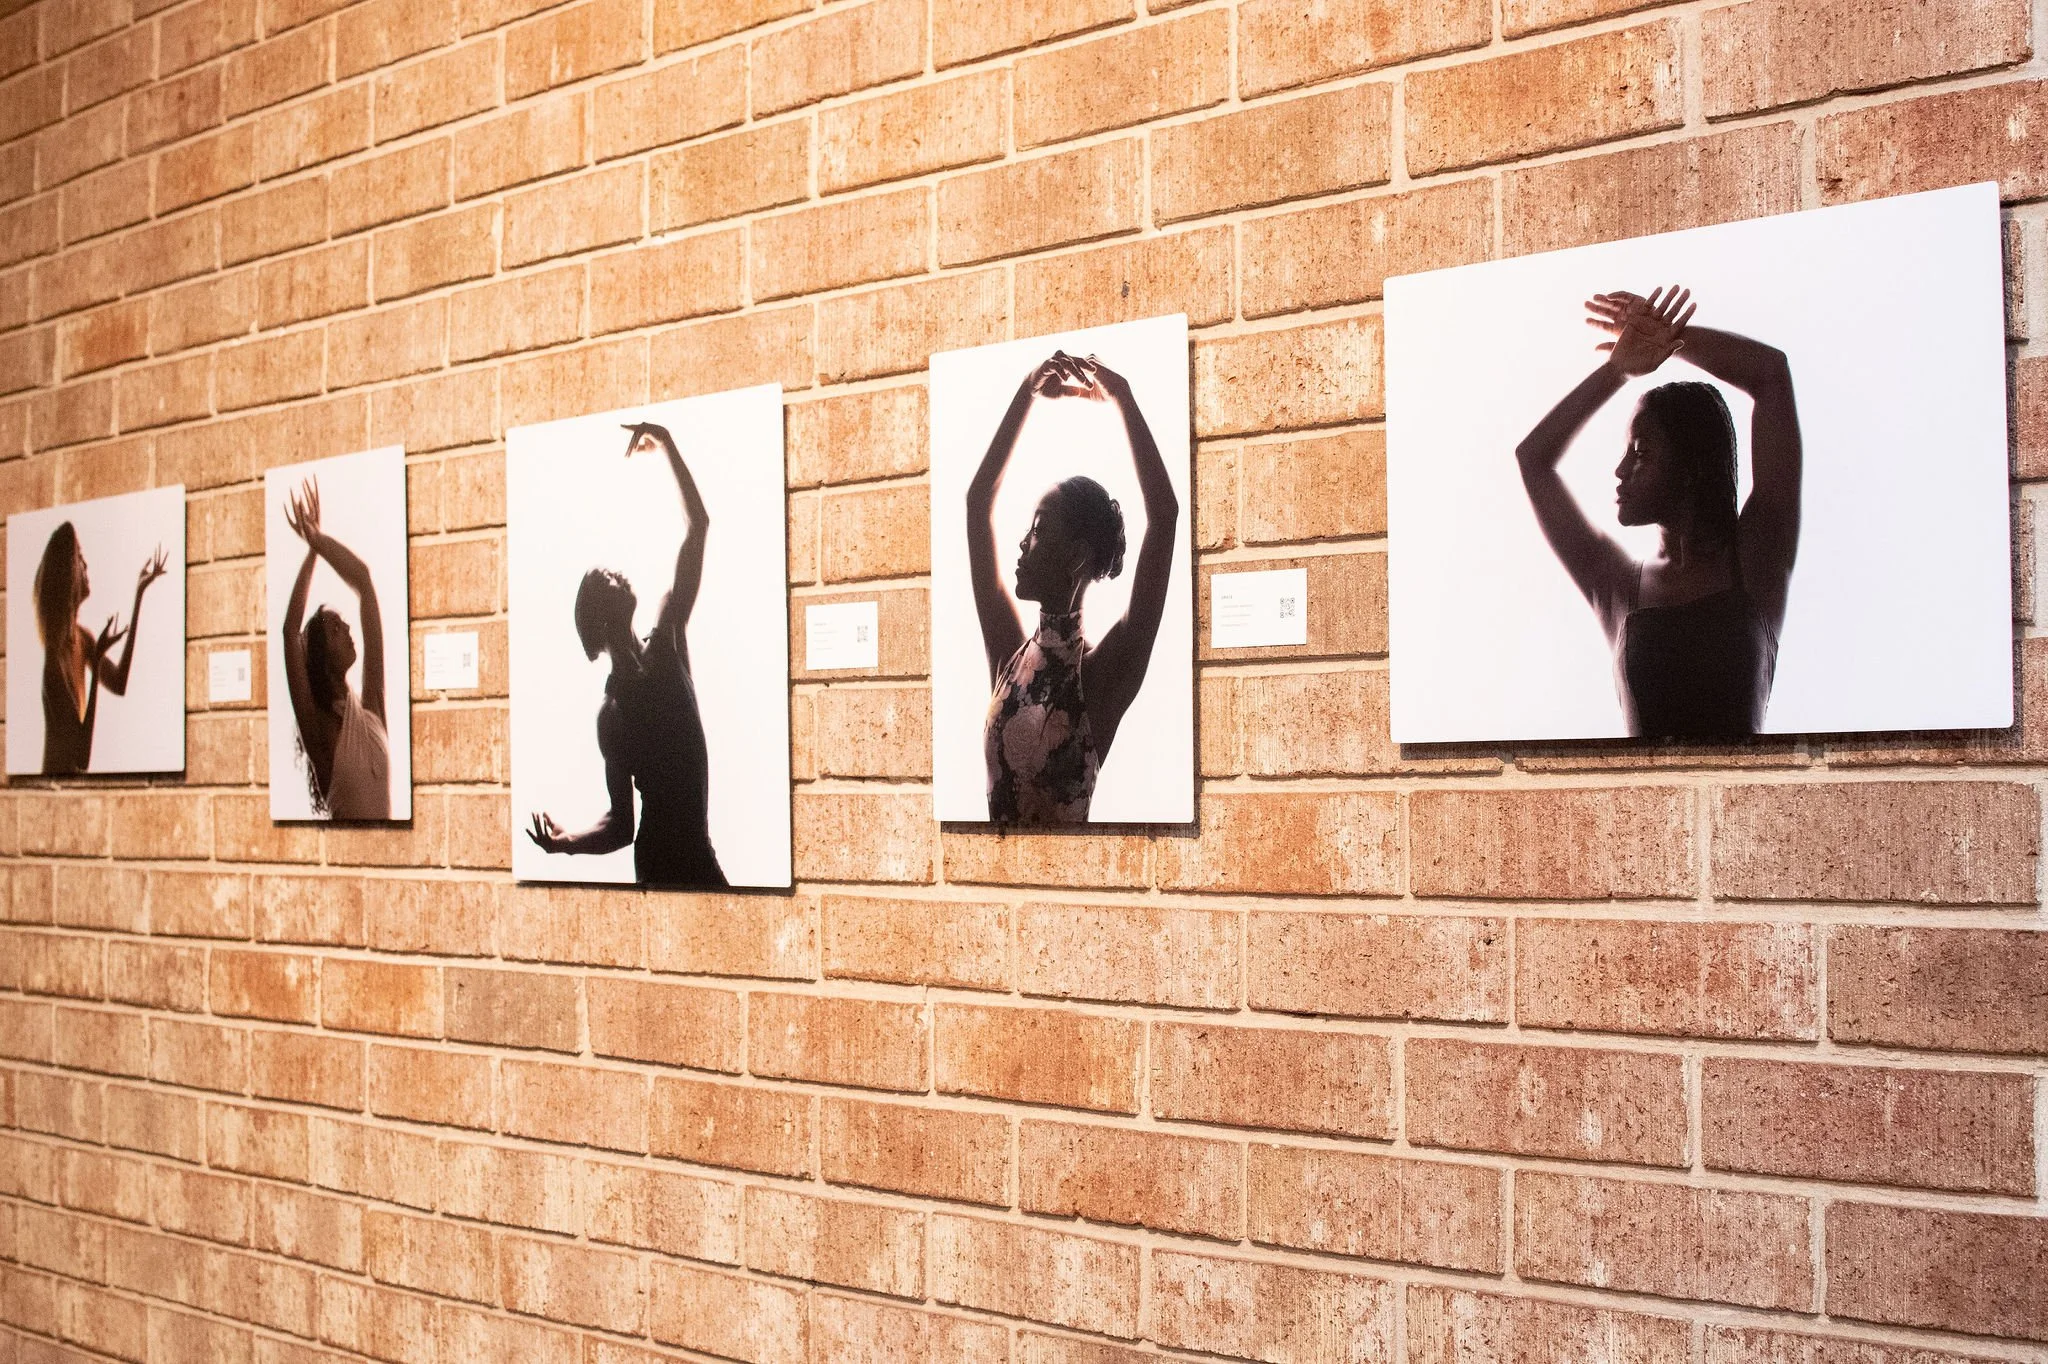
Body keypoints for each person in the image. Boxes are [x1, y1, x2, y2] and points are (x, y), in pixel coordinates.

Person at [1516, 285, 1803, 739]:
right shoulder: (1614, 585)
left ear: (1691, 468)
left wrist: (1669, 336)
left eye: (1641, 452)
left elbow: (1771, 374)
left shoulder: (1759, 558)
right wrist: (1617, 370)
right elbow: (1533, 459)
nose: (1620, 469)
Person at [967, 350, 1179, 822]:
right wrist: (1026, 392)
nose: (1022, 543)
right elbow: (977, 501)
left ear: (1078, 556)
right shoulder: (1010, 659)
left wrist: (1123, 396)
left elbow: (1164, 519)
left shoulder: (1100, 680)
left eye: (1039, 529)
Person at [526, 422, 727, 886]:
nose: (612, 573)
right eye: (602, 580)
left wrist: (668, 443)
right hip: (660, 863)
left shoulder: (668, 632)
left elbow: (698, 526)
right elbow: (622, 826)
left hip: (699, 852)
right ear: (597, 621)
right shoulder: (612, 713)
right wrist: (564, 844)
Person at [280, 478, 392, 818]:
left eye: (342, 623)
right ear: (320, 656)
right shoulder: (321, 731)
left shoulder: (371, 707)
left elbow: (364, 581)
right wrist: (312, 549)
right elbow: (289, 632)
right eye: (334, 629)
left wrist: (318, 540)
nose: (346, 628)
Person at [34, 523, 167, 775]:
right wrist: (95, 665)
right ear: (66, 572)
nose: (86, 566)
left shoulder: (82, 638)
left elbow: (118, 683)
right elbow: (81, 757)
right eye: (80, 558)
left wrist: (138, 595)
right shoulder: (54, 661)